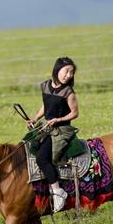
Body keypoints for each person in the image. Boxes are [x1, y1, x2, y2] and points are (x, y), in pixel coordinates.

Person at [27, 57, 79, 211]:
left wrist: (58, 119)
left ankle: (58, 191)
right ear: (57, 70)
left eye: (71, 72)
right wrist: (35, 119)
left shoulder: (69, 92)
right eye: (66, 71)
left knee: (42, 158)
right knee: (27, 146)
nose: (69, 75)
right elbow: (46, 104)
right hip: (47, 127)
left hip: (61, 130)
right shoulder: (45, 86)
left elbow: (75, 113)